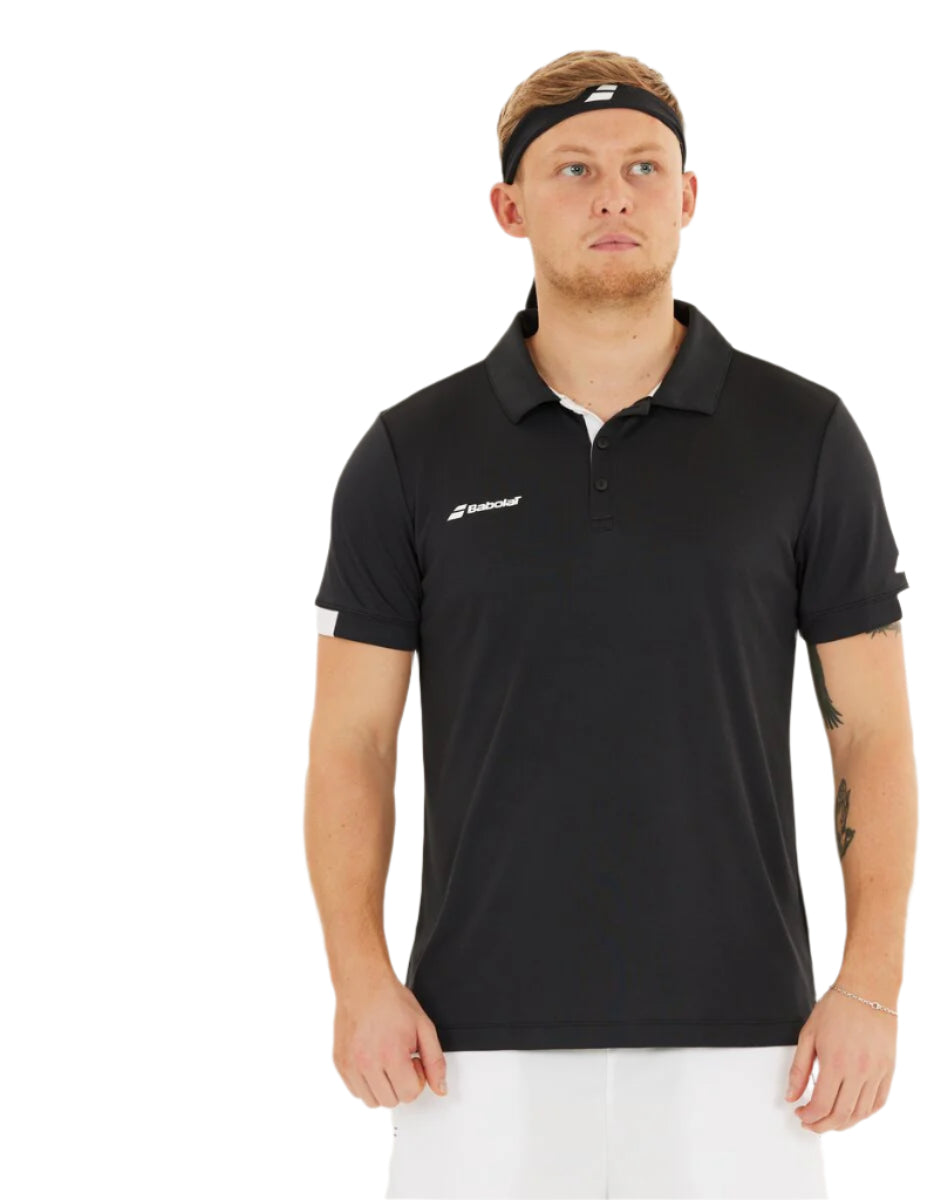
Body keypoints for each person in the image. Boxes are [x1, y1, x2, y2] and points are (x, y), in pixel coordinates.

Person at [305, 49, 918, 1200]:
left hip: (751, 1049)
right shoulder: (410, 452)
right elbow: (353, 741)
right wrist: (360, 980)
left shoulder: (803, 437)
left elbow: (873, 734)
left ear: (688, 197)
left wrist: (869, 986)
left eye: (644, 167)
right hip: (466, 1049)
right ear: (510, 207)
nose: (613, 195)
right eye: (574, 169)